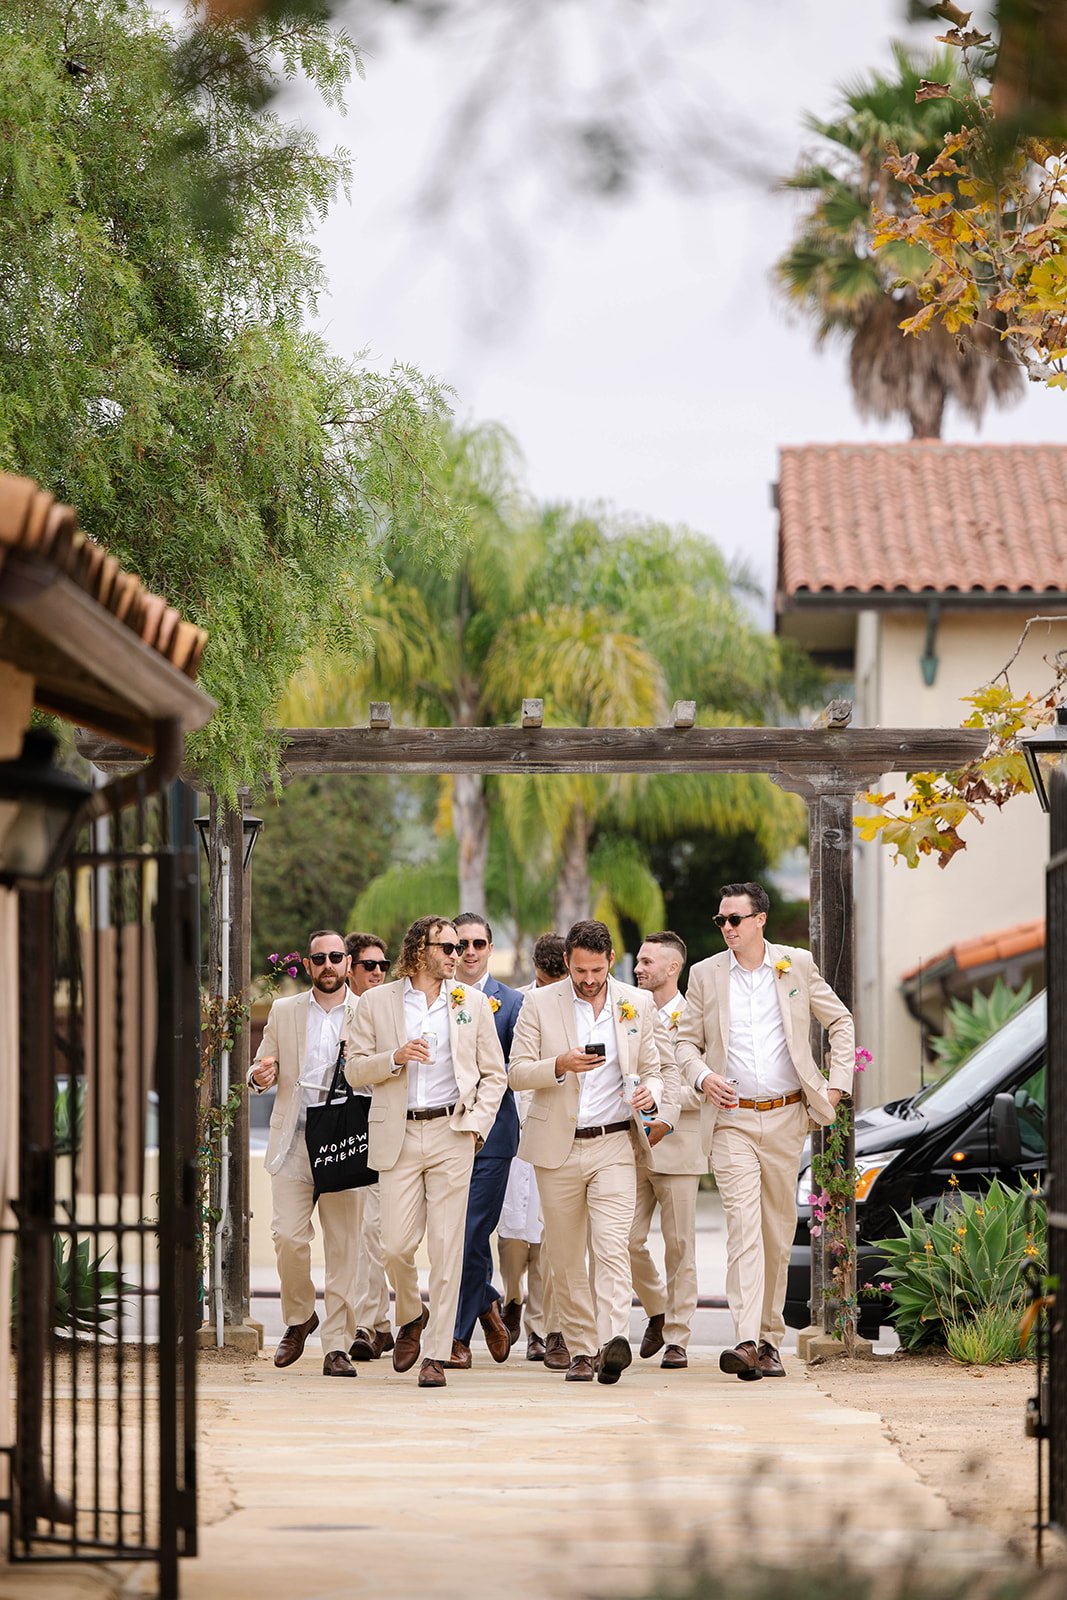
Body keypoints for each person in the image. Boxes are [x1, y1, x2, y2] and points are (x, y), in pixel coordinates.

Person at [675, 882, 855, 1381]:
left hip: (786, 1116)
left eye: (735, 919)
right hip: (731, 1120)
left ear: (760, 920)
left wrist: (835, 1086)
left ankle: (770, 1340)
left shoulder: (795, 963)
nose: (727, 929)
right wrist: (703, 1077)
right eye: (721, 921)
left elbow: (839, 1021)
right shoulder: (705, 974)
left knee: (776, 1233)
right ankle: (745, 1339)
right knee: (743, 1230)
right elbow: (684, 1044)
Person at [509, 919, 680, 1385]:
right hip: (557, 1149)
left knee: (611, 1246)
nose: (588, 980)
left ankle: (612, 1340)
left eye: (597, 971)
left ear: (610, 963)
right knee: (565, 1258)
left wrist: (653, 1093)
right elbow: (517, 1072)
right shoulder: (538, 1003)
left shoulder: (637, 1003)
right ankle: (583, 1349)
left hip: (614, 1144)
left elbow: (657, 1067)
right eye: (580, 970)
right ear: (566, 961)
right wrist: (559, 1065)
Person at [345, 916, 507, 1388]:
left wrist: (474, 1128)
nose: (458, 955)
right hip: (397, 1134)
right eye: (448, 947)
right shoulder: (377, 1002)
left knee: (447, 1247)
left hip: (451, 1133)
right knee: (394, 1245)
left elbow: (494, 1075)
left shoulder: (471, 1002)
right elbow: (355, 1070)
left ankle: (436, 1353)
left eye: (460, 948)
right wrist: (394, 1057)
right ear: (420, 949)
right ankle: (411, 1316)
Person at [248, 930, 361, 1378]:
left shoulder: (367, 1011)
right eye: (320, 958)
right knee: (288, 1238)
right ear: (309, 965)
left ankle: (337, 1345)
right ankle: (299, 1318)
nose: (329, 965)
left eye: (337, 957)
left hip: (347, 1140)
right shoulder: (284, 1010)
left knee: (344, 1248)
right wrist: (260, 1076)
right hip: (295, 1138)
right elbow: (262, 1071)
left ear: (348, 963)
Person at [446, 914, 525, 1369]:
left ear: (490, 948)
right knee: (454, 1233)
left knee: (473, 1229)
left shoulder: (511, 1003)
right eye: (461, 944)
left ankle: (456, 1338)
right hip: (444, 1135)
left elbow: (514, 1071)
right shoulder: (437, 999)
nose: (470, 952)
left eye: (478, 943)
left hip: (494, 1137)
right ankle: (488, 1302)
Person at [631, 930, 708, 1370]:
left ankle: (678, 1336)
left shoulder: (695, 1019)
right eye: (638, 962)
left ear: (672, 968)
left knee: (680, 1246)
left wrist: (663, 1098)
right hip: (630, 1146)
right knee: (625, 1241)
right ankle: (658, 1310)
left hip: (679, 1149)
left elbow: (705, 1085)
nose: (638, 969)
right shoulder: (629, 1011)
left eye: (646, 962)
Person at [498, 931, 568, 1364]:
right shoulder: (515, 1004)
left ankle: (541, 1330)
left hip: (555, 1126)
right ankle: (511, 1298)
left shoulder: (580, 1008)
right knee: (510, 1234)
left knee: (547, 1235)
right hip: (514, 1122)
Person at [343, 931, 394, 1363]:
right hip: (342, 1129)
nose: (378, 972)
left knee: (376, 1229)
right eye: (368, 966)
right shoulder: (335, 1010)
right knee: (357, 1232)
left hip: (384, 1128)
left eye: (383, 965)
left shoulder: (393, 1008)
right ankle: (375, 1324)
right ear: (350, 968)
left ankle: (370, 1323)